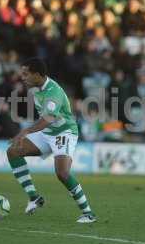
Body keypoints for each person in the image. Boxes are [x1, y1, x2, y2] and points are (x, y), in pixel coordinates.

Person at [6, 57, 96, 223]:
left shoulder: (53, 92)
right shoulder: (33, 89)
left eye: (26, 74)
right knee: (13, 151)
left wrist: (25, 131)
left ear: (38, 75)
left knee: (62, 173)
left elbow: (48, 118)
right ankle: (34, 197)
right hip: (47, 132)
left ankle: (88, 213)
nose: (23, 77)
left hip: (64, 132)